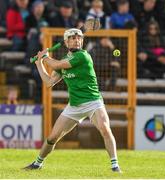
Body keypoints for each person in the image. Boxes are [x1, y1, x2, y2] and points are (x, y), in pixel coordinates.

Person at [23, 28, 121, 173]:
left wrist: (45, 57)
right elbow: (49, 82)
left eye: (79, 38)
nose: (77, 40)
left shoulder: (83, 56)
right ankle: (37, 163)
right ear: (66, 42)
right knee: (52, 138)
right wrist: (39, 64)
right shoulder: (64, 60)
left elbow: (56, 65)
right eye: (73, 38)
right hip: (74, 105)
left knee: (105, 129)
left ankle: (115, 166)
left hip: (93, 101)